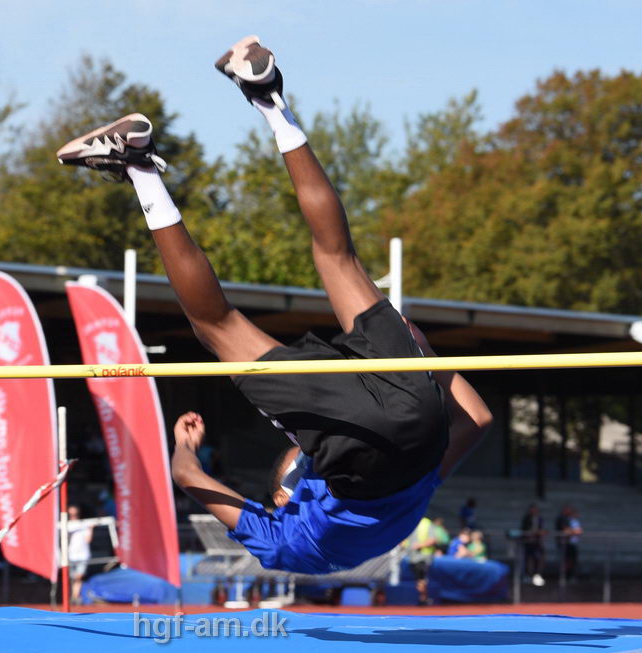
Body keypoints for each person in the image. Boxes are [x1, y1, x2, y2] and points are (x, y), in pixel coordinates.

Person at [58, 35, 493, 574]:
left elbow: (477, 420)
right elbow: (188, 478)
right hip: (369, 455)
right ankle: (139, 168)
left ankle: (268, 98)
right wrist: (184, 444)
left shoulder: (412, 495)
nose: (302, 451)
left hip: (419, 425)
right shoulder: (289, 543)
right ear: (285, 498)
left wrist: (424, 357)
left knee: (339, 259)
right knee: (217, 326)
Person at [67, 505, 93, 604]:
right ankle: (74, 596)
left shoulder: (84, 524)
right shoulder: (66, 525)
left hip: (83, 555)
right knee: (73, 578)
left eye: (75, 514)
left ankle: (75, 596)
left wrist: (90, 529)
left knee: (78, 577)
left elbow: (88, 540)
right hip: (71, 555)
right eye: (71, 514)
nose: (73, 516)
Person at [521, 503, 546, 586]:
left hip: (537, 542)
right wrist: (531, 533)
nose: (534, 511)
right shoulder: (526, 518)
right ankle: (527, 575)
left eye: (535, 510)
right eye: (532, 510)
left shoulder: (540, 519)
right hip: (528, 542)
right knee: (527, 559)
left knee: (537, 559)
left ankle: (536, 576)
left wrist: (540, 533)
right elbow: (523, 529)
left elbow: (541, 529)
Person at [555, 505, 583, 580]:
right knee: (565, 560)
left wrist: (573, 531)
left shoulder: (570, 519)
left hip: (571, 544)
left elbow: (579, 531)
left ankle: (569, 575)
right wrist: (574, 531)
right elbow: (566, 530)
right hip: (565, 544)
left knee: (572, 560)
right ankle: (564, 576)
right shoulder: (562, 518)